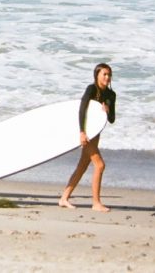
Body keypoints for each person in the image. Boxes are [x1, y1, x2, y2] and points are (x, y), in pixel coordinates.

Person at [60, 63, 116, 211]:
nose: (107, 77)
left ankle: (64, 198)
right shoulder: (91, 89)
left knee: (83, 166)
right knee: (100, 165)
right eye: (104, 74)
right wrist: (82, 132)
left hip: (96, 134)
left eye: (109, 74)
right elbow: (82, 110)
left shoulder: (111, 95)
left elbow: (112, 119)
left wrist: (108, 110)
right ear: (96, 75)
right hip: (87, 133)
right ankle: (96, 203)